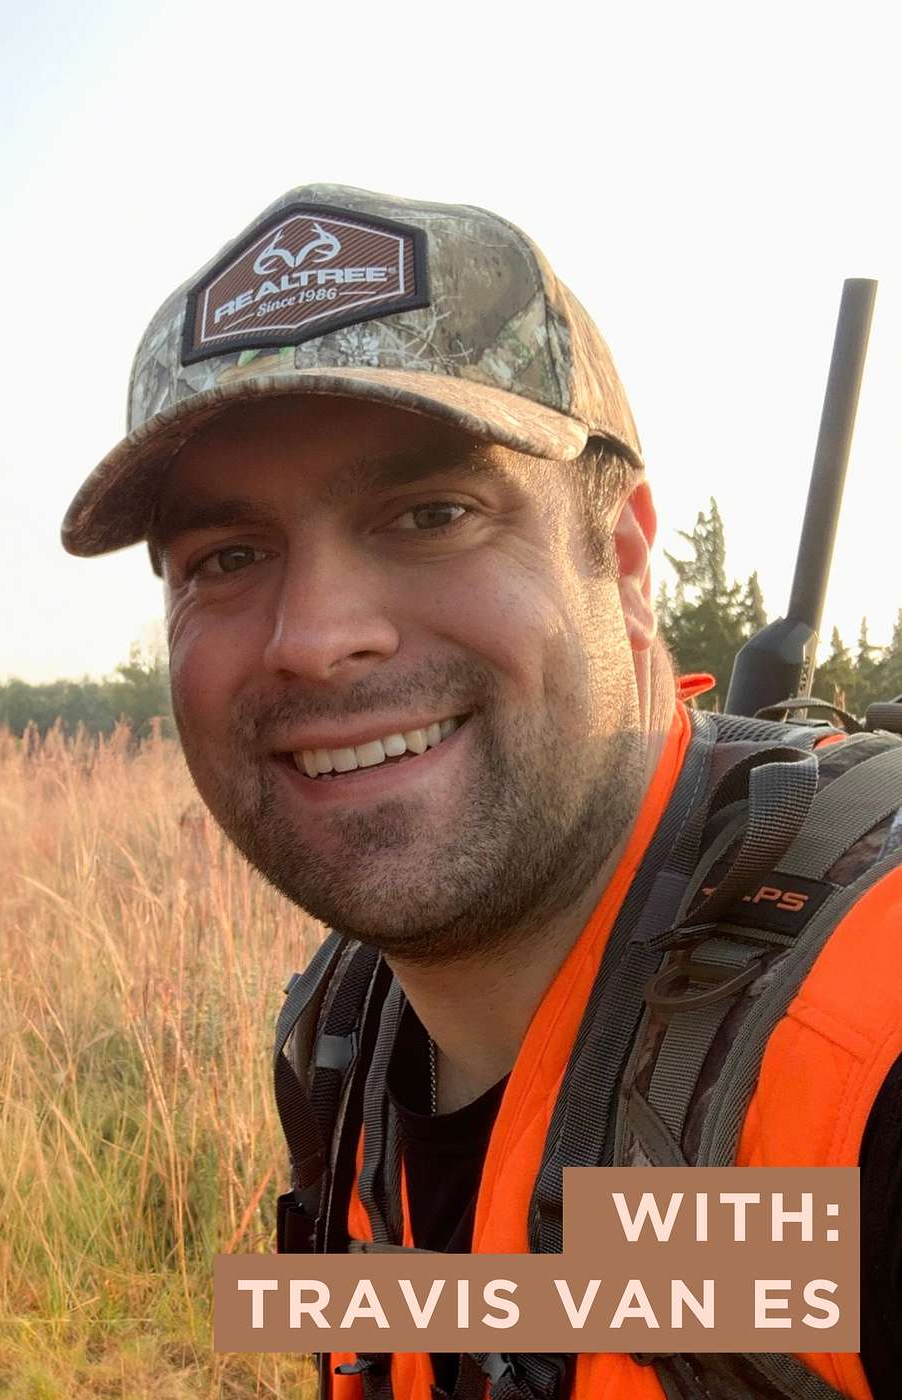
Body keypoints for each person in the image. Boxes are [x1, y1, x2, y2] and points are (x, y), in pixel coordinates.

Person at [59, 185, 902, 1400]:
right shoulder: (343, 1032)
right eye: (227, 557)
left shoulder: (863, 1042)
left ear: (620, 561)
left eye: (431, 513)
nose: (314, 637)